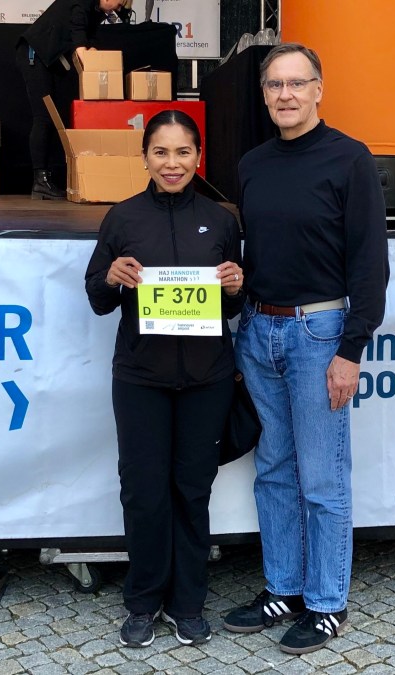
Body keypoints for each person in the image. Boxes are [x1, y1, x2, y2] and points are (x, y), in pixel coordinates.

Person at [222, 43, 389, 655]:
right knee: (273, 471)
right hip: (258, 330)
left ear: (319, 89)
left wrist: (351, 349)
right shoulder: (253, 165)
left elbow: (370, 263)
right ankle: (283, 589)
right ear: (264, 95)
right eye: (275, 85)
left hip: (320, 335)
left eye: (297, 83)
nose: (286, 94)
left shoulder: (349, 159)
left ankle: (325, 603)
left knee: (322, 477)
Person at [85, 110, 245, 647]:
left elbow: (233, 304)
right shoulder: (123, 218)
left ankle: (188, 603)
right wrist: (110, 277)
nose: (171, 163)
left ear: (198, 157)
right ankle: (143, 601)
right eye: (160, 152)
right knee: (143, 492)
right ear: (145, 158)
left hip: (207, 379)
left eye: (182, 152)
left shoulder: (221, 221)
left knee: (192, 491)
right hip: (141, 379)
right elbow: (97, 298)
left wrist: (236, 286)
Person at [17, 0, 132, 200]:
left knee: (54, 117)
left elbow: (88, 40)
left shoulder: (96, 12)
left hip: (50, 58)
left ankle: (45, 179)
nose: (117, 10)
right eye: (119, 4)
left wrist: (92, 51)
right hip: (34, 53)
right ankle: (40, 181)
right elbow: (79, 39)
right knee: (43, 117)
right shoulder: (83, 2)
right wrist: (94, 62)